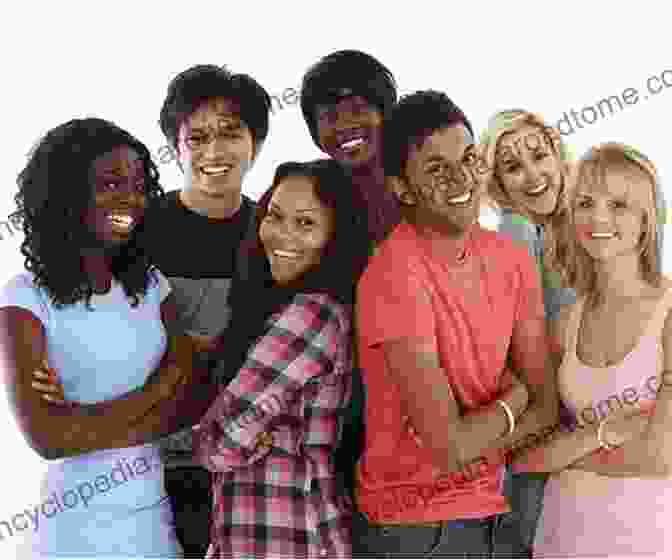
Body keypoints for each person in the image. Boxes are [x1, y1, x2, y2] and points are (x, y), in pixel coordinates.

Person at [351, 90, 558, 558]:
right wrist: (517, 395)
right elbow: (449, 447)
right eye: (436, 168)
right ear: (401, 187)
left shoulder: (512, 259)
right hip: (414, 526)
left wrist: (485, 429)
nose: (461, 177)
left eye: (468, 158)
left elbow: (546, 411)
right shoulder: (393, 276)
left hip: (493, 515)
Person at [0, 118, 213, 558]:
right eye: (110, 183)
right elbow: (49, 439)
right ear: (66, 194)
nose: (129, 199)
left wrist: (82, 419)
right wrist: (158, 391)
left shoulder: (153, 287)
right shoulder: (25, 298)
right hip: (71, 532)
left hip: (154, 527)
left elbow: (194, 400)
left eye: (137, 185)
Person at [193, 158, 372, 558]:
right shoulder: (294, 309)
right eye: (274, 215)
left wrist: (219, 435)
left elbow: (219, 443)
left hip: (290, 538)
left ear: (335, 237)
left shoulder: (312, 313)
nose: (282, 235)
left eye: (306, 223)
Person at [512, 143, 672, 557]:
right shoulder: (564, 324)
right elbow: (521, 455)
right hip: (566, 533)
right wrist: (605, 431)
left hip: (651, 538)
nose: (599, 218)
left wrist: (564, 452)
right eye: (585, 203)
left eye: (618, 204)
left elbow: (661, 455)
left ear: (646, 219)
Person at [144, 63, 271, 557]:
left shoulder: (272, 231)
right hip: (151, 465)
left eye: (230, 133)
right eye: (196, 137)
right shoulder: (141, 230)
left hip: (244, 464)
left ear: (255, 143)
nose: (214, 152)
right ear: (176, 147)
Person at [300, 48, 401, 509]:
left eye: (359, 109)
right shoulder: (312, 194)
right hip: (333, 412)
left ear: (385, 111)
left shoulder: (418, 187)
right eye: (329, 115)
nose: (344, 126)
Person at [480, 109, 577, 557]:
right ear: (498, 183)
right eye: (513, 167)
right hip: (545, 424)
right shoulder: (517, 231)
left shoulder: (590, 225)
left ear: (558, 157)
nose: (533, 175)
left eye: (539, 156)